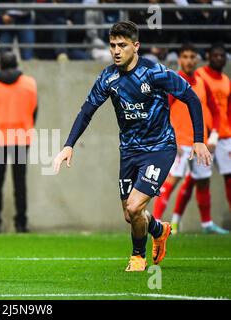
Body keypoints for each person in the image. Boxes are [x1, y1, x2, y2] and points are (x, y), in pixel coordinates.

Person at [53, 21, 212, 272]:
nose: (116, 51)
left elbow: (190, 97)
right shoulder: (108, 77)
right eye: (113, 45)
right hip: (129, 151)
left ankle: (138, 257)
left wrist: (198, 139)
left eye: (122, 45)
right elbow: (87, 111)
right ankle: (160, 230)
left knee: (135, 205)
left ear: (136, 46)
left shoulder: (155, 72)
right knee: (131, 215)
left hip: (160, 148)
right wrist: (68, 145)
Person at [152, 44, 228, 235]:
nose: (189, 60)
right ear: (179, 59)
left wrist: (213, 137)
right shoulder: (172, 82)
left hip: (199, 144)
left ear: (197, 59)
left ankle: (207, 225)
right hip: (178, 145)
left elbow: (217, 112)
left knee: (202, 183)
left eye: (192, 56)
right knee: (169, 183)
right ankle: (154, 224)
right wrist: (170, 139)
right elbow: (162, 112)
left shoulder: (202, 83)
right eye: (185, 56)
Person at [172, 43, 231, 231]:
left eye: (222, 56)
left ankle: (205, 224)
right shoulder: (199, 76)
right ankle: (174, 220)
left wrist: (215, 134)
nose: (219, 59)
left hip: (221, 136)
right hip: (199, 138)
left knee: (226, 179)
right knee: (189, 181)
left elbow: (223, 110)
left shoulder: (226, 80)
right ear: (207, 56)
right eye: (216, 55)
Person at [0, 51, 38, 233]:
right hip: (21, 138)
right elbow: (34, 111)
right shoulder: (30, 83)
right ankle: (21, 224)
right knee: (19, 182)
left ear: (0, 65)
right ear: (16, 64)